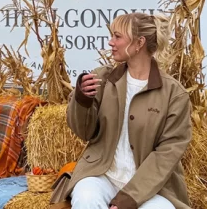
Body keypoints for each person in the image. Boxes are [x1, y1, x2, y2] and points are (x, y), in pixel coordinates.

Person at [50, 12, 192, 209]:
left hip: (152, 186)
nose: (111, 42)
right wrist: (82, 100)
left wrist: (130, 197)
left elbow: (167, 153)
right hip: (103, 174)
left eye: (117, 36)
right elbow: (84, 133)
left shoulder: (174, 94)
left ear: (139, 43)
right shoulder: (102, 78)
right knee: (85, 197)